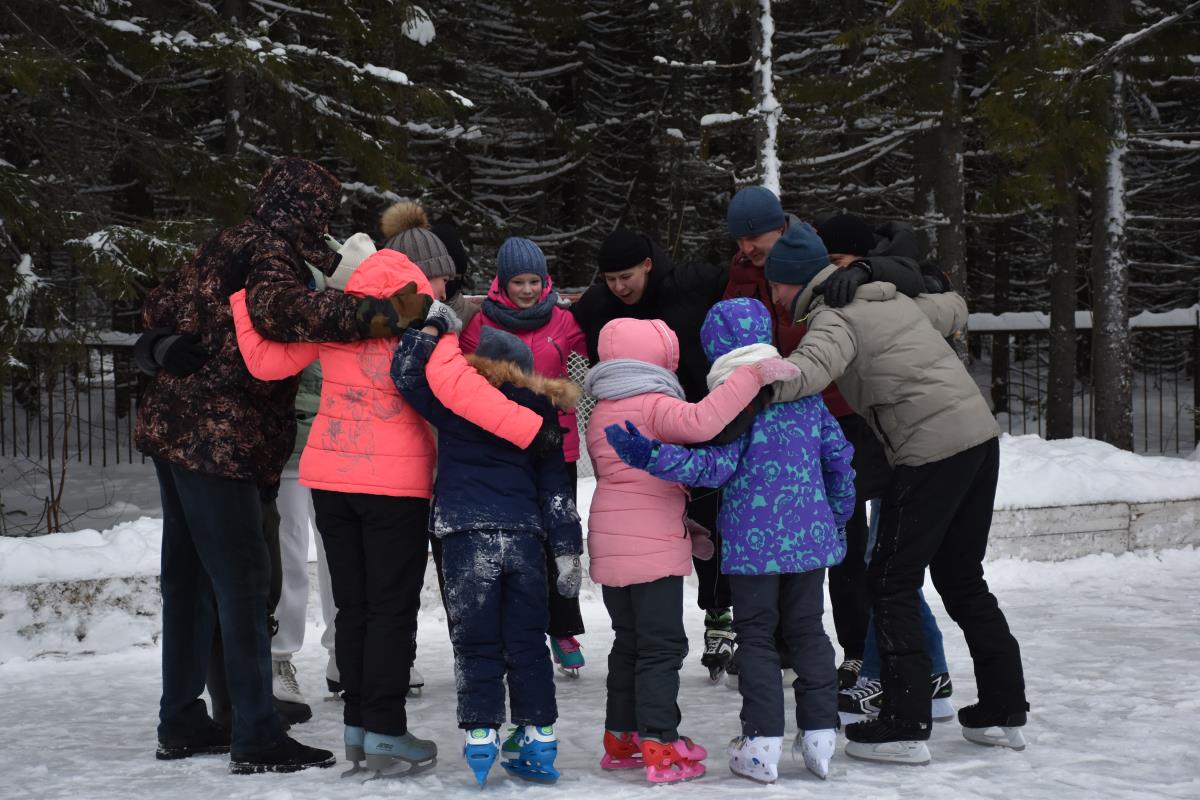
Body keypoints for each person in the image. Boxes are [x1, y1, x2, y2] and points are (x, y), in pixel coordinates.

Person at [134, 157, 429, 774]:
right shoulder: (271, 252)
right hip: (221, 439)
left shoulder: (227, 241)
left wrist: (157, 345)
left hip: (172, 428)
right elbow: (280, 312)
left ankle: (182, 718)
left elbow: (158, 306)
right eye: (321, 210)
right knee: (243, 582)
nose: (323, 223)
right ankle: (256, 733)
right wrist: (379, 315)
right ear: (305, 209)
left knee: (187, 581)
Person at [765, 222, 1029, 765]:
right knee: (961, 577)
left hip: (931, 451)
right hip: (979, 439)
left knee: (889, 579)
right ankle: (1003, 707)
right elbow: (954, 305)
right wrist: (883, 271)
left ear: (794, 282)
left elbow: (806, 372)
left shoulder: (834, 318)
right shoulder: (892, 301)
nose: (775, 298)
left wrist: (742, 382)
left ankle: (905, 722)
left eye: (777, 287)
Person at [604, 297, 856, 783]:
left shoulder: (732, 404)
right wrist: (837, 513)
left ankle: (761, 742)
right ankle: (821, 733)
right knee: (808, 630)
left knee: (758, 637)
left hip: (752, 545)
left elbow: (711, 469)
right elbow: (839, 457)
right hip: (810, 541)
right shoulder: (804, 395)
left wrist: (652, 456)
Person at [583, 316, 800, 784]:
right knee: (662, 648)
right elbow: (703, 422)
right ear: (658, 358)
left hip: (610, 536)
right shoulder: (655, 404)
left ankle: (621, 739)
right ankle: (661, 741)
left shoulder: (602, 407)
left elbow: (632, 486)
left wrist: (685, 527)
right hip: (649, 548)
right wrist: (753, 374)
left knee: (629, 644)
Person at [725, 188, 926, 689]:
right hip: (768, 413)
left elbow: (903, 267)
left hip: (832, 411)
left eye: (754, 236)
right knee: (779, 530)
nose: (747, 247)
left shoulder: (819, 257)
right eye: (740, 238)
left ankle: (855, 650)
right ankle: (784, 641)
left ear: (780, 227)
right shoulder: (741, 272)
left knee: (843, 535)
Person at [393, 321, 583, 787]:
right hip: (522, 536)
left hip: (463, 533)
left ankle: (480, 734)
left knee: (475, 641)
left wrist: (431, 328)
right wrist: (566, 550)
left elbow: (406, 374)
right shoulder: (542, 415)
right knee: (527, 642)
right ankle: (539, 735)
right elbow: (555, 491)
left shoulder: (458, 402)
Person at [571, 229, 736, 681]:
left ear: (647, 264)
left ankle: (719, 614)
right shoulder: (599, 305)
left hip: (699, 426)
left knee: (711, 522)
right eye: (609, 279)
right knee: (650, 533)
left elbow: (749, 282)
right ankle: (641, 625)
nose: (619, 287)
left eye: (625, 276)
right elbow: (555, 324)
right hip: (639, 440)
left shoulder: (691, 283)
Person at [459, 237, 590, 675]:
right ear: (502, 281)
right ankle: (516, 631)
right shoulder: (480, 324)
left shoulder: (563, 319)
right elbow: (463, 376)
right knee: (519, 543)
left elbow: (593, 354)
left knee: (560, 537)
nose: (529, 290)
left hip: (557, 445)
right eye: (519, 281)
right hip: (503, 447)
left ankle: (563, 627)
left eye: (535, 280)